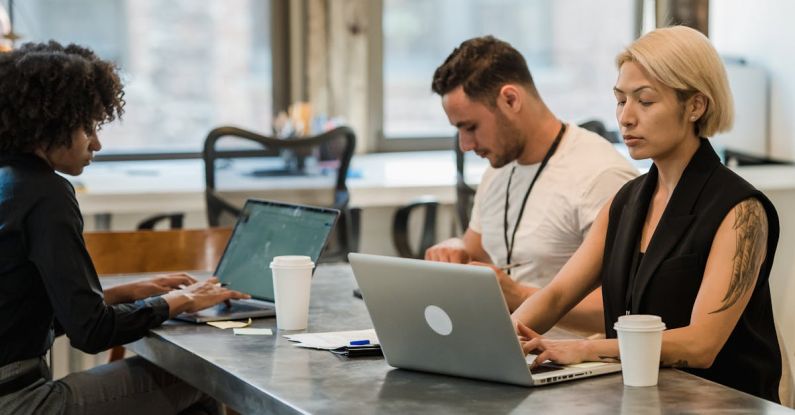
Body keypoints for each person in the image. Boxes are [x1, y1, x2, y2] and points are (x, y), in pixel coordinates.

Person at [511, 26, 782, 402]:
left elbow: (702, 344)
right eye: (621, 100)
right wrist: (499, 343)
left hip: (723, 405)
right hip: (641, 401)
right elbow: (557, 295)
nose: (626, 117)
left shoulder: (740, 210)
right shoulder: (625, 202)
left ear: (695, 106)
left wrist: (585, 349)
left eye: (646, 101)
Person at [0, 42, 250, 414]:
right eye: (87, 127)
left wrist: (120, 295)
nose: (97, 143)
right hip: (22, 401)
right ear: (50, 122)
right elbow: (92, 333)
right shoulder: (47, 193)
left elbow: (23, 317)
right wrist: (178, 301)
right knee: (199, 377)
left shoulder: (9, 182)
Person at [425, 36, 638, 334]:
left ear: (511, 100)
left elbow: (628, 311)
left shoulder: (601, 176)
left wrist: (516, 296)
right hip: (500, 348)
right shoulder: (498, 169)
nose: (465, 145)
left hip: (573, 366)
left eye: (470, 127)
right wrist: (453, 248)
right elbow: (474, 251)